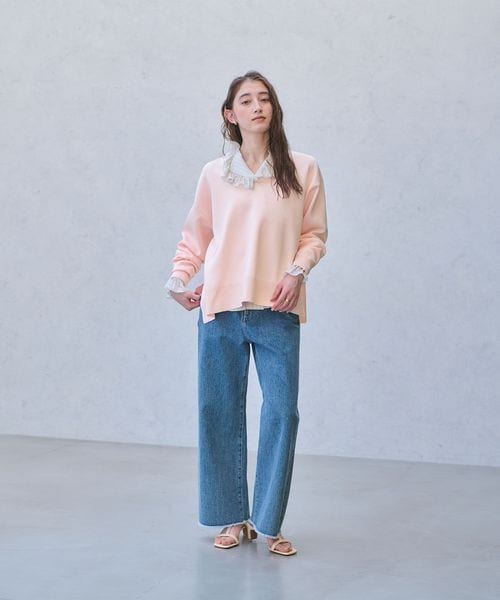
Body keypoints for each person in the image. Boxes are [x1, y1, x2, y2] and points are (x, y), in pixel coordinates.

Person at [164, 70, 328, 556]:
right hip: (220, 310)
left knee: (282, 412)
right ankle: (232, 518)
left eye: (265, 99)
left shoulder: (302, 168)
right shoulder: (214, 174)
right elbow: (197, 237)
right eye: (246, 100)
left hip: (277, 308)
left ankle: (269, 521)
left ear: (273, 108)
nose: (258, 107)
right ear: (230, 114)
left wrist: (296, 272)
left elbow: (314, 235)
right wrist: (178, 280)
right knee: (218, 412)